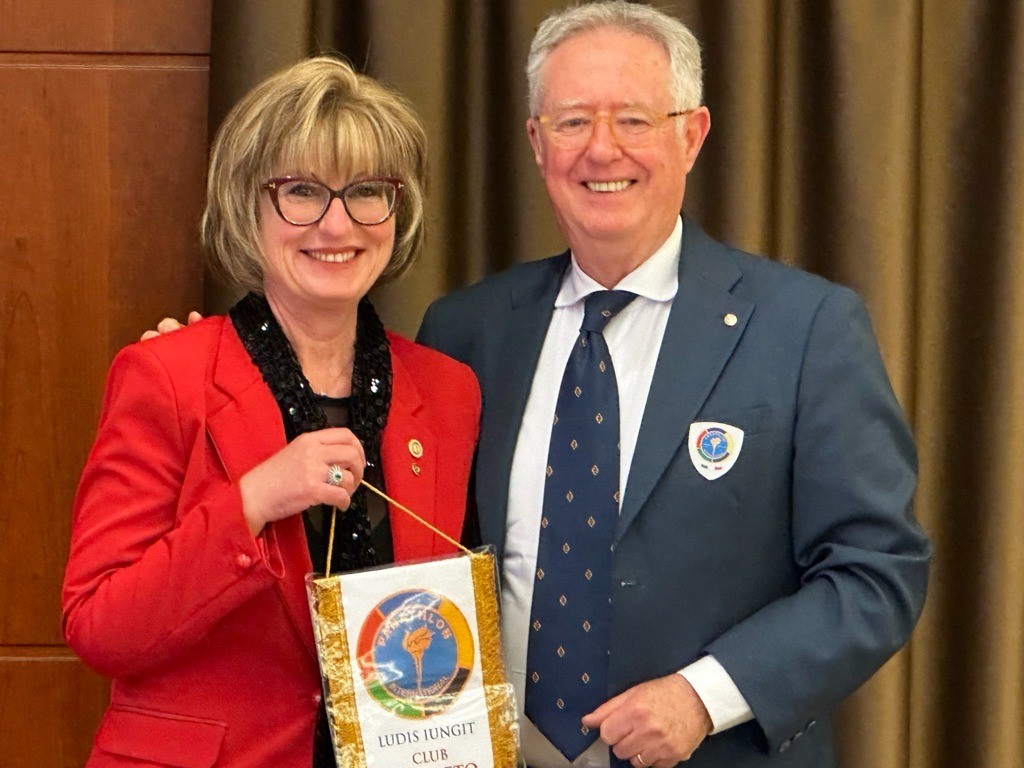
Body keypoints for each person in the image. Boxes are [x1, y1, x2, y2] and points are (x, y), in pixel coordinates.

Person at [415, 3, 931, 768]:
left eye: (633, 119)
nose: (602, 148)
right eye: (572, 122)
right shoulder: (467, 332)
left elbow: (876, 573)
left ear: (691, 135)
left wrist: (703, 695)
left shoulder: (806, 328)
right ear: (536, 142)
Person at [62, 57, 480, 767]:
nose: (337, 223)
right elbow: (100, 627)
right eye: (302, 191)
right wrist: (252, 501)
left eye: (366, 191)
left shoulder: (447, 391)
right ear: (245, 206)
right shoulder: (166, 374)